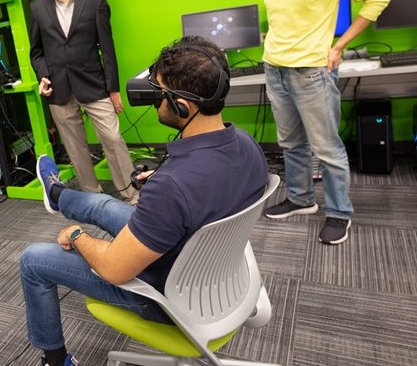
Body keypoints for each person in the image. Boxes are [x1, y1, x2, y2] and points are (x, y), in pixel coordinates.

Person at [20, 36, 269, 366]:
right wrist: (166, 184)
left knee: (33, 260)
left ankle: (54, 360)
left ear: (182, 105)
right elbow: (207, 188)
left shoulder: (173, 187)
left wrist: (77, 236)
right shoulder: (246, 143)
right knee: (105, 206)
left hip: (169, 296)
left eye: (159, 93)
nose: (155, 99)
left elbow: (112, 269)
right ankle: (58, 195)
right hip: (213, 270)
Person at [255, 0, 390, 244]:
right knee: (291, 143)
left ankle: (339, 212)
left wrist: (339, 44)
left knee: (326, 147)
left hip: (312, 71)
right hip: (275, 68)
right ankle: (301, 199)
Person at [29, 0, 138, 204]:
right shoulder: (38, 8)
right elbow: (36, 52)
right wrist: (43, 75)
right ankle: (93, 195)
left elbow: (107, 50)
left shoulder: (95, 2)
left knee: (112, 138)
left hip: (93, 84)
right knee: (76, 147)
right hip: (59, 89)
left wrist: (113, 89)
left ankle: (131, 193)